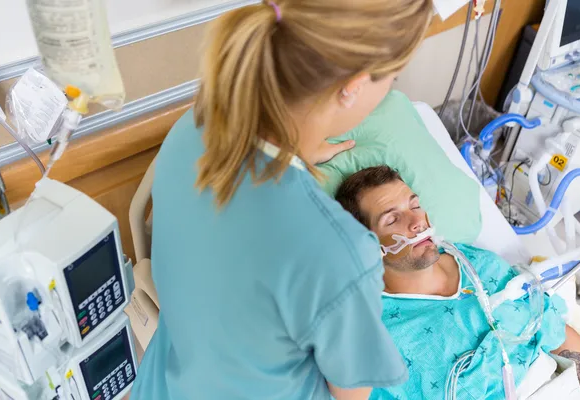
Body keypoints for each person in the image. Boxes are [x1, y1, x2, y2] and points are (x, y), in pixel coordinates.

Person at [131, 1, 433, 399]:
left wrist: (298, 150)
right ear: (354, 85)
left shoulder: (196, 126)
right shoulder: (339, 252)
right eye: (392, 79)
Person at [335, 166, 580, 399]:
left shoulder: (479, 263)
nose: (416, 222)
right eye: (392, 219)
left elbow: (553, 330)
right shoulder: (378, 332)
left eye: (414, 206)